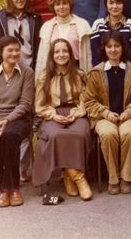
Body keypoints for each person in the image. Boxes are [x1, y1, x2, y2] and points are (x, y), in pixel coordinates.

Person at [0, 0, 42, 183]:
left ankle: (22, 168)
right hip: (6, 73)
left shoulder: (34, 18)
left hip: (28, 72)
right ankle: (5, 170)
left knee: (22, 119)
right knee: (3, 124)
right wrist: (2, 64)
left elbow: (40, 45)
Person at [32, 39, 92, 201]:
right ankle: (78, 178)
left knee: (79, 133)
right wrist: (53, 115)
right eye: (57, 51)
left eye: (64, 51)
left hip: (75, 112)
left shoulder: (79, 74)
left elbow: (85, 99)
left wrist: (77, 113)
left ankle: (67, 175)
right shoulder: (45, 76)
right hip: (52, 114)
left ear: (70, 54)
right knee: (56, 135)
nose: (61, 55)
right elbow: (40, 105)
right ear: (52, 55)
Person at [85, 31, 131, 195]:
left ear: (122, 48)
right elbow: (89, 101)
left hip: (128, 115)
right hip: (104, 116)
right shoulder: (96, 73)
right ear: (104, 49)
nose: (113, 50)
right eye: (109, 46)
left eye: (116, 46)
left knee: (130, 133)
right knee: (109, 134)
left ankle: (126, 177)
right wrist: (106, 113)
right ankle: (113, 178)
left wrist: (130, 111)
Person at [0, 36, 34, 207]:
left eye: (17, 50)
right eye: (10, 50)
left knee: (9, 137)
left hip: (18, 118)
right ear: (0, 52)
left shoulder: (27, 72)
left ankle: (14, 188)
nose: (14, 53)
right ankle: (3, 187)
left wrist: (7, 120)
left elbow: (25, 103)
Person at [35, 0, 92, 79]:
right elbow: (41, 58)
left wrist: (88, 78)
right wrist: (39, 80)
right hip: (54, 71)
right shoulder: (47, 27)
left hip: (77, 69)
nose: (61, 7)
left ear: (70, 5)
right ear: (53, 7)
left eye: (65, 3)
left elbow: (88, 56)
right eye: (57, 4)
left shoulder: (82, 25)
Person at [91, 0, 131, 66]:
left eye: (118, 3)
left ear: (123, 4)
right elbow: (95, 54)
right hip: (103, 71)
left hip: (127, 70)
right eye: (111, 3)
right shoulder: (98, 24)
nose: (114, 6)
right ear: (106, 5)